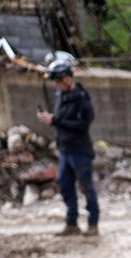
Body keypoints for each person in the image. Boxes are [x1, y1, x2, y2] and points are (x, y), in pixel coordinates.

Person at [36, 53, 98, 237]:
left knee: (86, 187)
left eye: (58, 82)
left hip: (80, 151)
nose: (57, 86)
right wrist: (53, 120)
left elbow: (82, 125)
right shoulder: (61, 96)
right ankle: (72, 223)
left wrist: (54, 120)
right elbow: (61, 120)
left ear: (67, 79)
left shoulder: (82, 98)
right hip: (65, 150)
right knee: (65, 186)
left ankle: (93, 224)